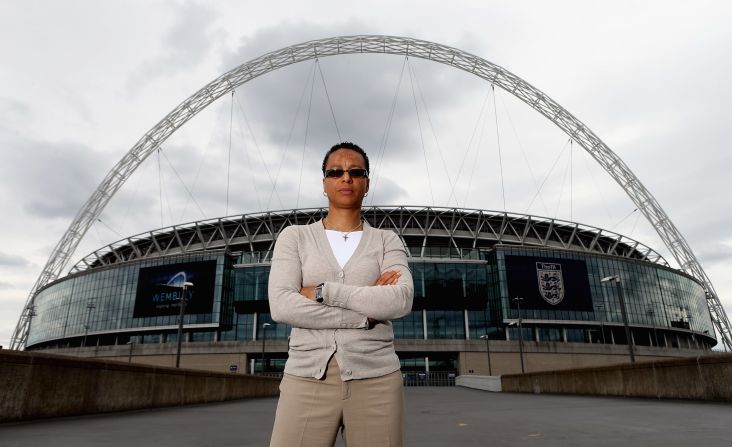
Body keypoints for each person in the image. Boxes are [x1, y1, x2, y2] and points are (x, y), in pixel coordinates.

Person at [268, 142, 414, 447]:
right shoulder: (295, 237)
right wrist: (366, 311)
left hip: (377, 378)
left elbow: (400, 299)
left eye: (355, 172)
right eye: (335, 172)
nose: (345, 178)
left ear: (367, 183)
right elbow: (282, 306)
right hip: (306, 377)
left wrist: (322, 292)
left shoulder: (387, 240)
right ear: (324, 183)